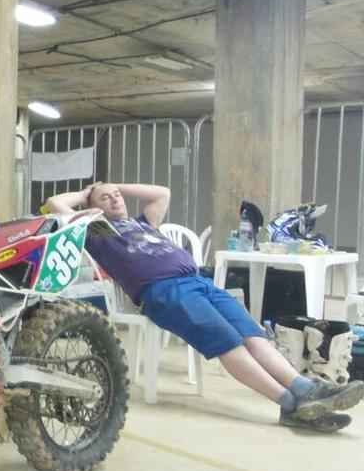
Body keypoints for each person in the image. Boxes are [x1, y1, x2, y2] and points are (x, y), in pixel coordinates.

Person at [46, 182, 364, 433]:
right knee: (229, 344)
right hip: (164, 292)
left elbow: (161, 193)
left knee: (254, 336)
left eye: (117, 196)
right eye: (106, 198)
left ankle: (304, 388)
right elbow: (56, 204)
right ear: (92, 207)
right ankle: (290, 403)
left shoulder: (143, 223)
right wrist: (89, 194)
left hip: (199, 283)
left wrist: (116, 187)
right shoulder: (97, 231)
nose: (115, 199)